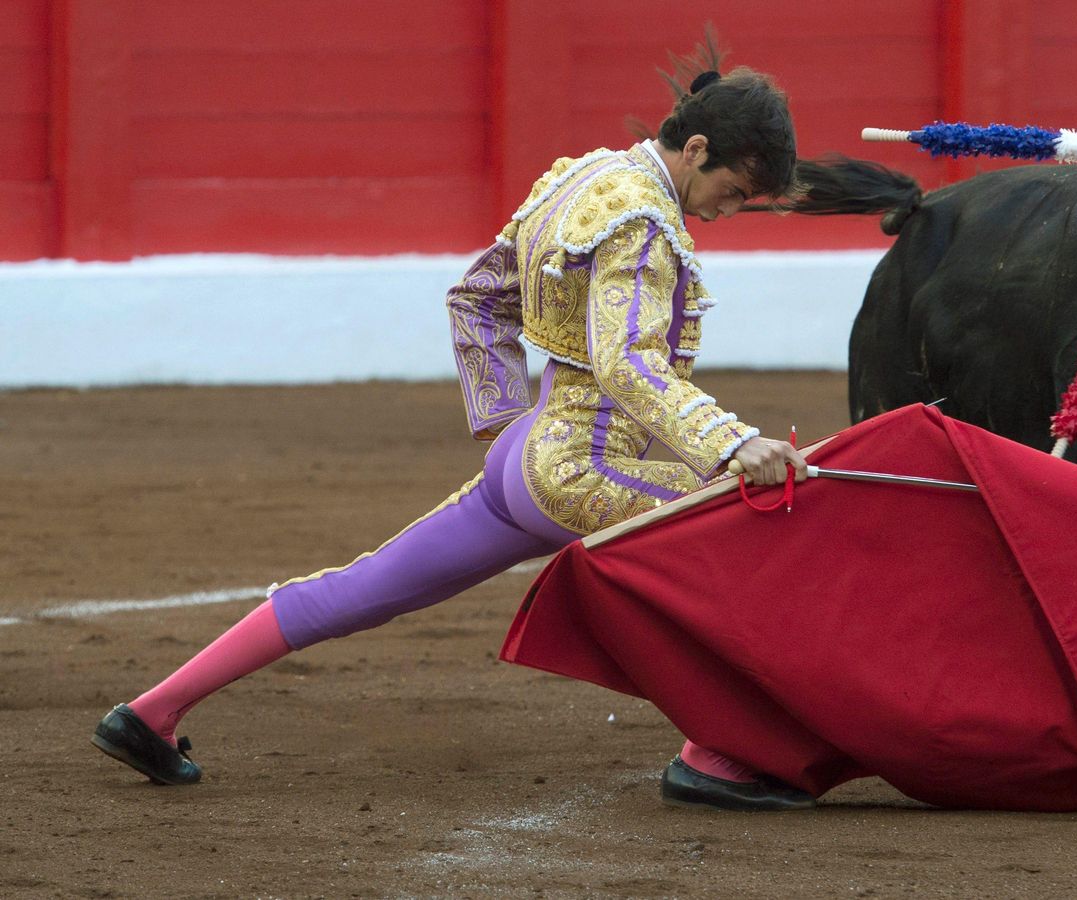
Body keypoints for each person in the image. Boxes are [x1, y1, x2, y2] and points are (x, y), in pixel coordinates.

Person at [91, 40, 816, 812]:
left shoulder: (584, 178)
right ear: (697, 149)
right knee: (750, 522)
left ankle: (152, 713)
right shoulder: (641, 221)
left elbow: (476, 298)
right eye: (732, 191)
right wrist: (733, 444)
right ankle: (717, 753)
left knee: (359, 589)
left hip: (526, 464)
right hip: (580, 467)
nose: (725, 212)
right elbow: (629, 365)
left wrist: (506, 427)